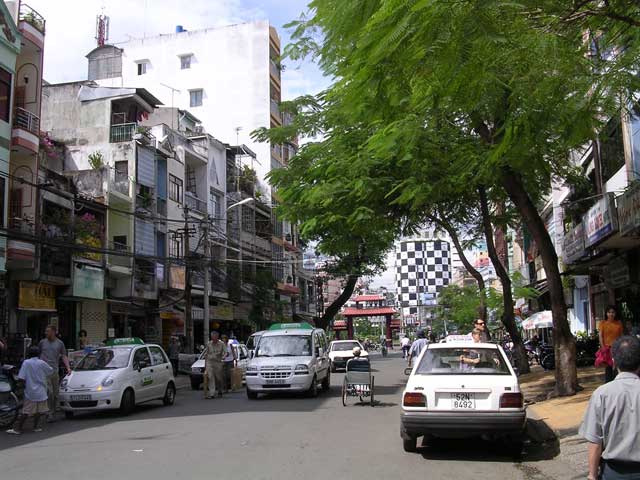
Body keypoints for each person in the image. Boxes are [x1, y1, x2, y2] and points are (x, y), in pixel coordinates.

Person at [579, 336, 640, 480]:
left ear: (613, 362)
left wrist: (592, 475)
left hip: (613, 473)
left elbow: (595, 440)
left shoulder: (602, 394)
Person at [7, 346, 54, 435]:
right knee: (39, 411)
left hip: (31, 391)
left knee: (26, 411)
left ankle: (18, 429)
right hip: (41, 391)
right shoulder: (42, 363)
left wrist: (20, 385)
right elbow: (50, 371)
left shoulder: (26, 363)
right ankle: (35, 427)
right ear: (38, 354)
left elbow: (21, 377)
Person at [38, 325, 71, 422]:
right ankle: (49, 413)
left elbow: (64, 356)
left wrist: (68, 368)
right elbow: (38, 354)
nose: (46, 333)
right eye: (46, 331)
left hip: (54, 371)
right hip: (44, 372)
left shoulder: (60, 343)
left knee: (56, 394)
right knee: (49, 392)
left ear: (54, 332)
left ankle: (52, 411)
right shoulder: (42, 342)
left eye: (48, 331)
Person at [599, 305, 625, 383]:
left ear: (615, 313)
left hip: (617, 348)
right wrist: (603, 347)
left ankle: (617, 382)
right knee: (608, 367)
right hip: (607, 348)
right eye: (609, 312)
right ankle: (608, 383)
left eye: (613, 312)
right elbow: (600, 336)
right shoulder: (603, 323)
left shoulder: (619, 323)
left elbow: (621, 336)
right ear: (606, 313)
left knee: (617, 366)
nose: (611, 314)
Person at [203, 331, 226, 399]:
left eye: (215, 337)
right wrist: (205, 365)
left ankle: (220, 390)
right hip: (210, 362)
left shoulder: (221, 344)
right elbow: (206, 354)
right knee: (210, 377)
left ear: (217, 337)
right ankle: (212, 393)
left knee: (218, 378)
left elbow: (225, 352)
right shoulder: (209, 344)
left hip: (218, 362)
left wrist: (223, 357)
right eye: (212, 337)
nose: (213, 338)